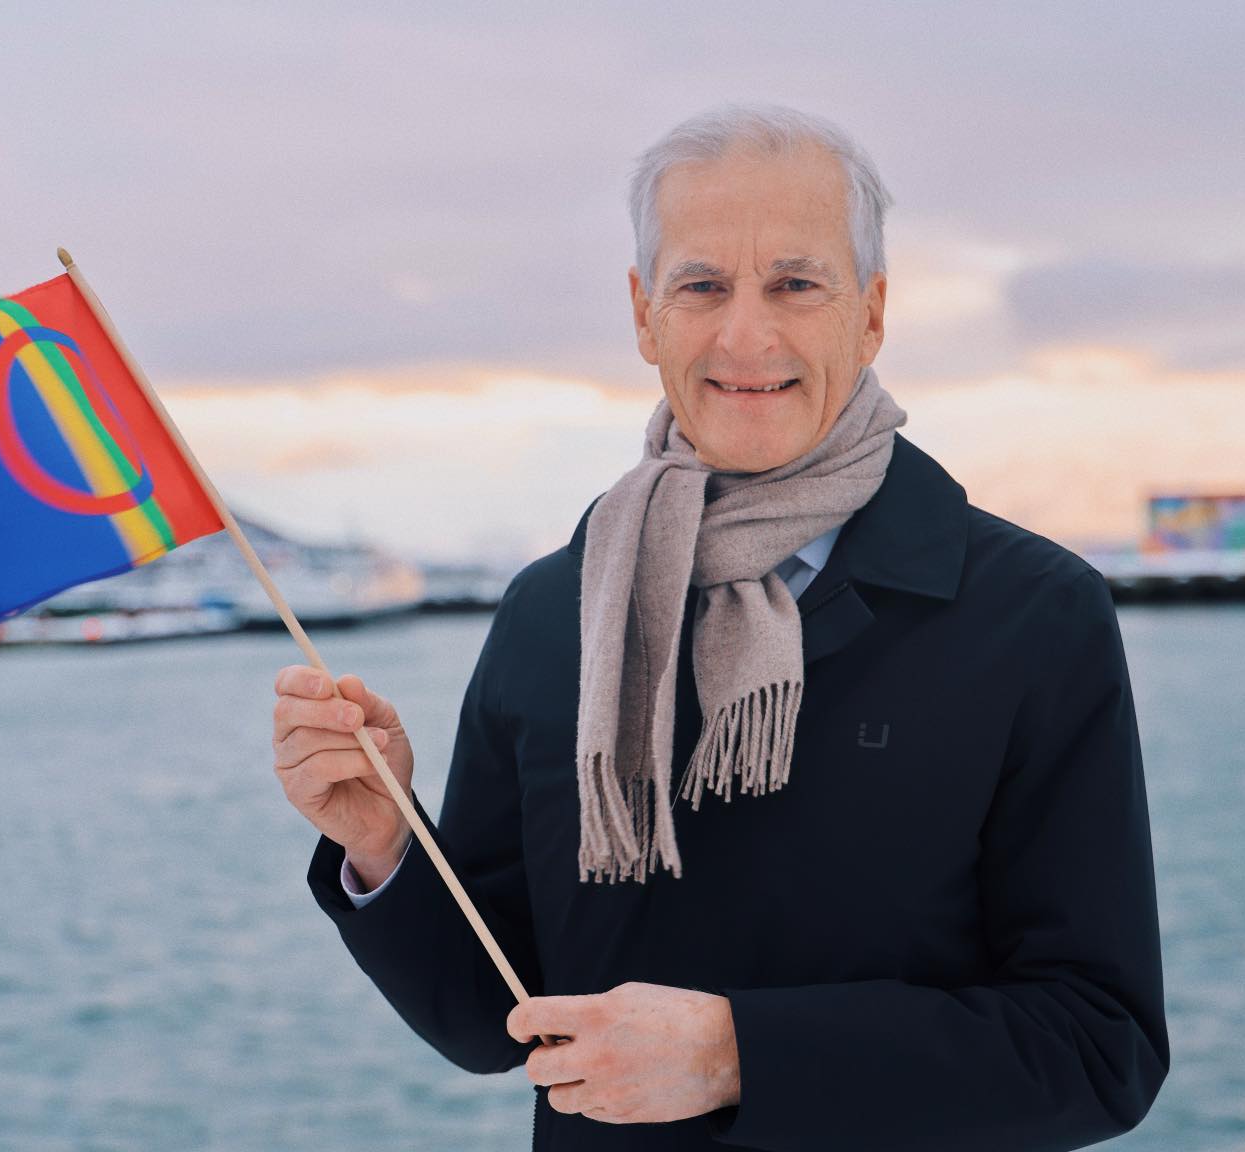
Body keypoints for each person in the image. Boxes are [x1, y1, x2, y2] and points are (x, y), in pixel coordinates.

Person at [272, 104, 1169, 1151]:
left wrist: (739, 1055)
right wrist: (383, 843)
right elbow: (493, 1019)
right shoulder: (548, 614)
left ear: (870, 313)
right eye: (701, 287)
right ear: (644, 315)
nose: (747, 335)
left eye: (795, 284)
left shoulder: (1030, 613)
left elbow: (1098, 1047)